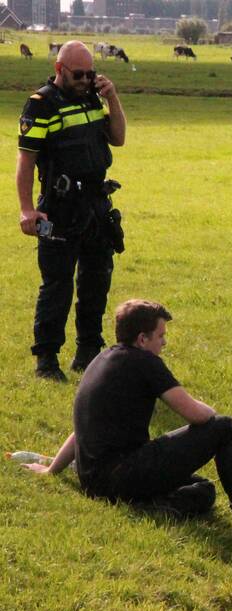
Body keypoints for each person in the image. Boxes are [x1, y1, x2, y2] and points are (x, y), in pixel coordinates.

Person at [22, 299, 232, 543]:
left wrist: (52, 469)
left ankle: (158, 506)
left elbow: (83, 430)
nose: (164, 342)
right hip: (121, 476)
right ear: (143, 339)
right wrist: (211, 410)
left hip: (93, 480)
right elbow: (199, 415)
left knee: (203, 489)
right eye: (161, 335)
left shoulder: (102, 360)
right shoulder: (145, 362)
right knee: (226, 427)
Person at [16, 40, 127, 382]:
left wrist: (111, 96)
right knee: (57, 286)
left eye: (90, 73)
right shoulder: (42, 105)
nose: (84, 79)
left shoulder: (93, 97)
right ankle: (47, 360)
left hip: (95, 205)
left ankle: (89, 352)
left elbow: (118, 138)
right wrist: (26, 210)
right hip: (59, 209)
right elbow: (26, 161)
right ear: (59, 70)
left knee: (96, 282)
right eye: (78, 74)